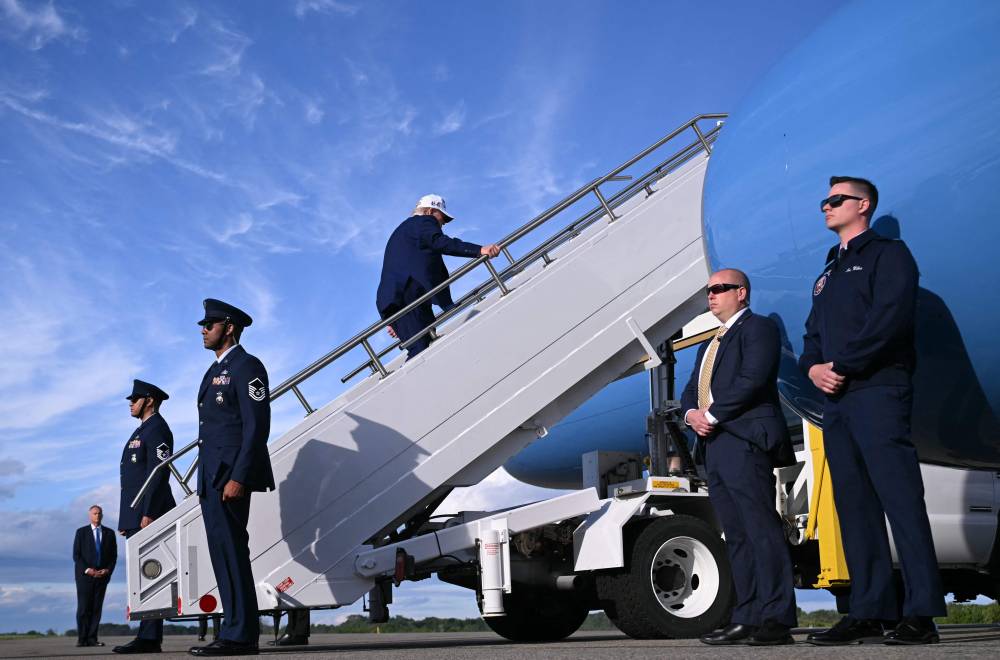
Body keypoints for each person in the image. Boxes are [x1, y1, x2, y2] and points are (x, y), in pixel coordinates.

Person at [799, 176, 945, 645]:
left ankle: (921, 614)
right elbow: (811, 336)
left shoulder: (888, 255)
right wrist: (814, 369)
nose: (826, 206)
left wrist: (842, 364)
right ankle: (870, 609)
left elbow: (891, 320)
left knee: (900, 499)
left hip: (878, 390)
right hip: (836, 402)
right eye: (825, 200)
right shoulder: (827, 272)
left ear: (863, 205)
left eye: (835, 199)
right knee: (853, 507)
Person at [681, 269, 797, 646]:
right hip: (714, 445)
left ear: (741, 293)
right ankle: (746, 615)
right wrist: (691, 415)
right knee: (737, 535)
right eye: (709, 290)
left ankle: (776, 618)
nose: (711, 296)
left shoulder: (758, 328)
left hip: (744, 440)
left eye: (719, 289)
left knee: (761, 529)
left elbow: (752, 379)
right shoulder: (708, 344)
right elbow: (689, 393)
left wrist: (711, 415)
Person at [189, 299, 274, 657]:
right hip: (211, 477)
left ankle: (241, 635)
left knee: (234, 552)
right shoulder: (213, 372)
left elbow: (257, 427)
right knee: (222, 554)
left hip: (230, 477)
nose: (203, 330)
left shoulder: (247, 366)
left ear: (229, 326)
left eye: (209, 324)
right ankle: (232, 630)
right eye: (203, 325)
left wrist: (239, 476)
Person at [376, 194, 501, 358]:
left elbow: (401, 268)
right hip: (407, 299)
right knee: (420, 349)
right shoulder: (422, 222)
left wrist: (392, 316)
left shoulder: (404, 231)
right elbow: (441, 242)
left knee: (425, 343)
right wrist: (479, 250)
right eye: (441, 218)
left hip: (403, 299)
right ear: (429, 211)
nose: (442, 224)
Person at [113, 379, 177, 654]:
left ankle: (150, 638)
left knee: (151, 575)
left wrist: (149, 512)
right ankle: (145, 634)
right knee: (142, 576)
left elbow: (159, 473)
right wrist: (126, 519)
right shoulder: (142, 430)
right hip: (136, 515)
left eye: (135, 398)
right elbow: (131, 479)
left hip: (149, 513)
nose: (131, 403)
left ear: (149, 400)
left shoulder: (158, 429)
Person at [73, 505, 117, 648]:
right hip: (85, 577)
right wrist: (87, 570)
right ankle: (82, 638)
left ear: (102, 515)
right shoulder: (81, 532)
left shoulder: (109, 533)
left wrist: (107, 570)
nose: (97, 516)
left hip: (102, 577)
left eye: (99, 513)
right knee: (84, 608)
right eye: (94, 513)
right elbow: (76, 555)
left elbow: (113, 556)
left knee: (97, 608)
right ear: (89, 515)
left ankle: (92, 638)